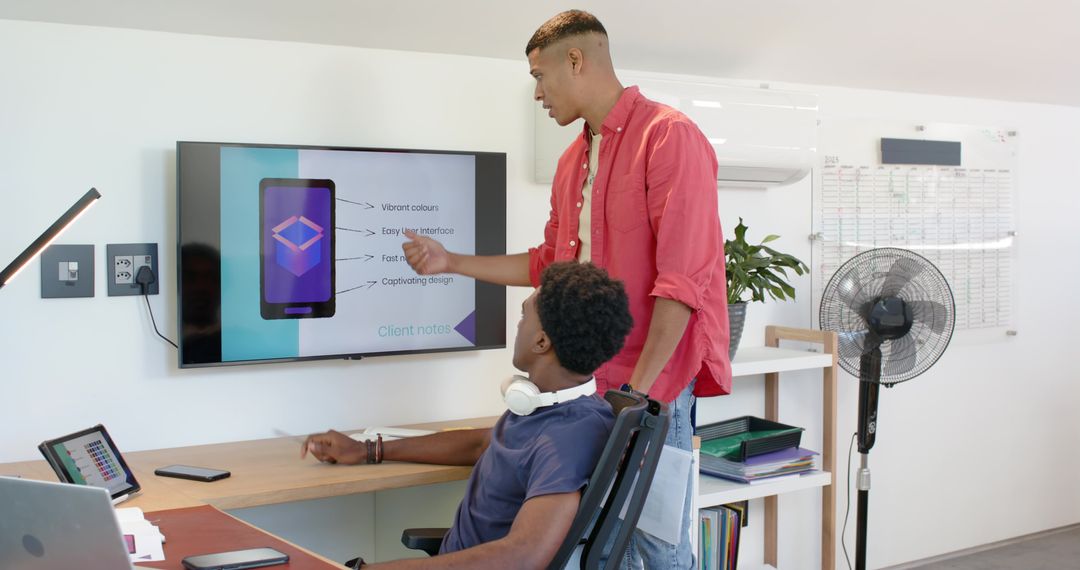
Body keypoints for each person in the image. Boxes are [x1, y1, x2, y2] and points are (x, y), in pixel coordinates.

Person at [401, 9, 730, 568]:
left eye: (539, 76)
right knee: (593, 548)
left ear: (574, 60)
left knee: (655, 549)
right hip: (586, 391)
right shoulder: (572, 161)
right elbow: (548, 265)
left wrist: (640, 398)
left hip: (651, 391)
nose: (538, 93)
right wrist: (451, 261)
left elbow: (682, 285)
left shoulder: (669, 138)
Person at [302, 262, 634, 569]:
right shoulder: (547, 406)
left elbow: (525, 554)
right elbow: (481, 444)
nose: (517, 326)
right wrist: (368, 450)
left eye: (523, 317)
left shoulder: (568, 439)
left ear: (541, 342)